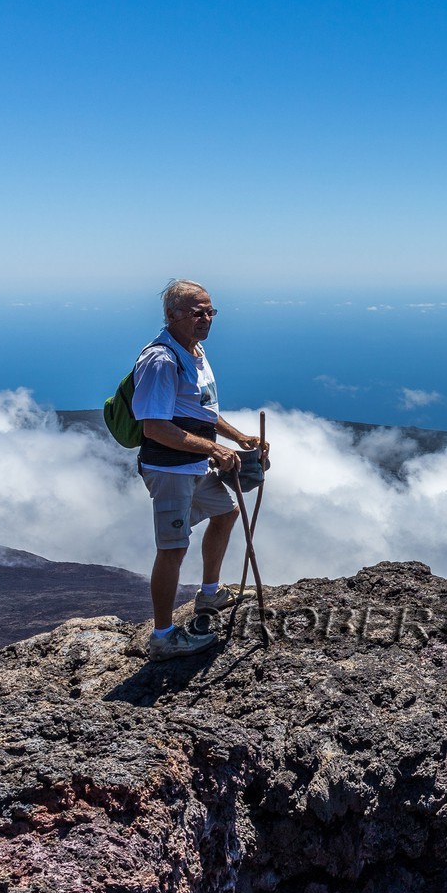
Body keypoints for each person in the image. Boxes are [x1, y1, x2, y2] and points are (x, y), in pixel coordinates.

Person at [131, 279, 264, 660]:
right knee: (172, 549)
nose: (206, 319)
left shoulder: (195, 352)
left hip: (193, 463)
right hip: (170, 469)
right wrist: (214, 448)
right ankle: (162, 637)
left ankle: (209, 594)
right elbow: (154, 427)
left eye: (210, 311)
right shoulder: (161, 360)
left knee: (227, 513)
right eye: (197, 312)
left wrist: (239, 438)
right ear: (171, 315)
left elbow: (200, 409)